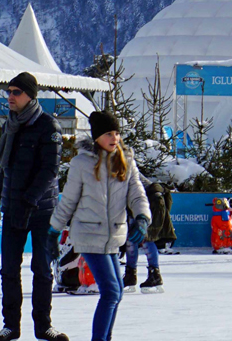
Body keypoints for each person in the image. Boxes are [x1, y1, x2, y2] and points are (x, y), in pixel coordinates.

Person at [50, 111, 150, 341]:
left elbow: (137, 194)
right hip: (88, 234)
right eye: (108, 133)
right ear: (97, 137)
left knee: (117, 293)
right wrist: (53, 229)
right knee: (111, 291)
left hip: (113, 236)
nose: (114, 137)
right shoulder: (82, 163)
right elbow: (69, 200)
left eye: (116, 133)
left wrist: (143, 216)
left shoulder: (125, 160)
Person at [0, 72, 66, 341]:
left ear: (31, 95)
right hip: (13, 208)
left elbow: (49, 171)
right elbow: (5, 165)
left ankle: (44, 326)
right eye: (9, 91)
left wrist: (29, 201)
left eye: (16, 92)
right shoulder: (11, 125)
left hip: (42, 211)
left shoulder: (48, 126)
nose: (10, 96)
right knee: (9, 269)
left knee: (42, 269)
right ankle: (11, 325)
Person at [124, 179, 172, 292]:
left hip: (146, 203)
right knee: (137, 238)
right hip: (149, 200)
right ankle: (134, 275)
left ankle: (152, 275)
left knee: (144, 238)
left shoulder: (123, 169)